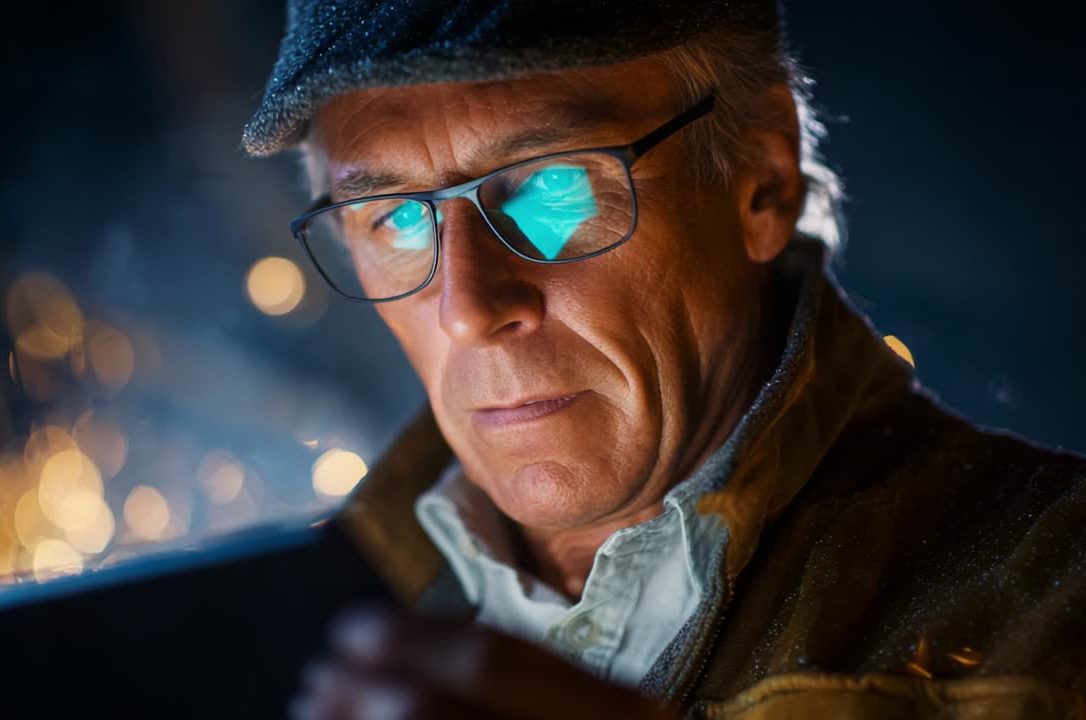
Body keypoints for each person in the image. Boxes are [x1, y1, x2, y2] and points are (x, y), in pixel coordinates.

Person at [242, 1, 1086, 717]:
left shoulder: (1057, 606)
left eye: (550, 186)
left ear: (762, 175)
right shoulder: (268, 636)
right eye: (395, 218)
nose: (468, 310)